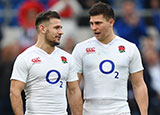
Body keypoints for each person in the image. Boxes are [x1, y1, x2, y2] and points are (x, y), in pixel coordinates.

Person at [72, 2, 148, 115]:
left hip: (120, 110)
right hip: (91, 110)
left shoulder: (129, 48)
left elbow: (139, 84)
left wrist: (144, 113)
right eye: (91, 23)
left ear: (111, 22)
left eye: (98, 23)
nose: (94, 27)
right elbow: (73, 87)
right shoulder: (81, 49)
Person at [10, 10, 82, 115]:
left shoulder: (67, 58)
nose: (61, 32)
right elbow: (14, 92)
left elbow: (74, 91)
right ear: (43, 29)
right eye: (56, 28)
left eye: (61, 28)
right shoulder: (25, 58)